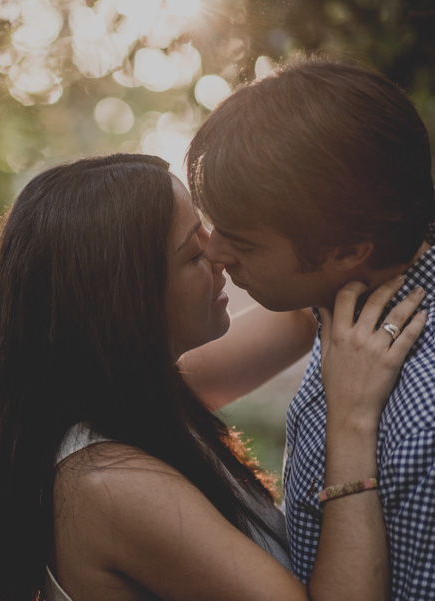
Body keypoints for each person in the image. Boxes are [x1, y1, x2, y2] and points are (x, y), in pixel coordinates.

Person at [0, 152, 426, 601]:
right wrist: (350, 418)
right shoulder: (108, 484)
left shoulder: (134, 395)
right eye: (192, 253)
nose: (219, 253)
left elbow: (304, 310)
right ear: (131, 303)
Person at [185, 55, 435, 600]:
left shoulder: (422, 428)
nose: (216, 253)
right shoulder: (333, 302)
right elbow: (157, 391)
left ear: (348, 250)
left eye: (243, 242)